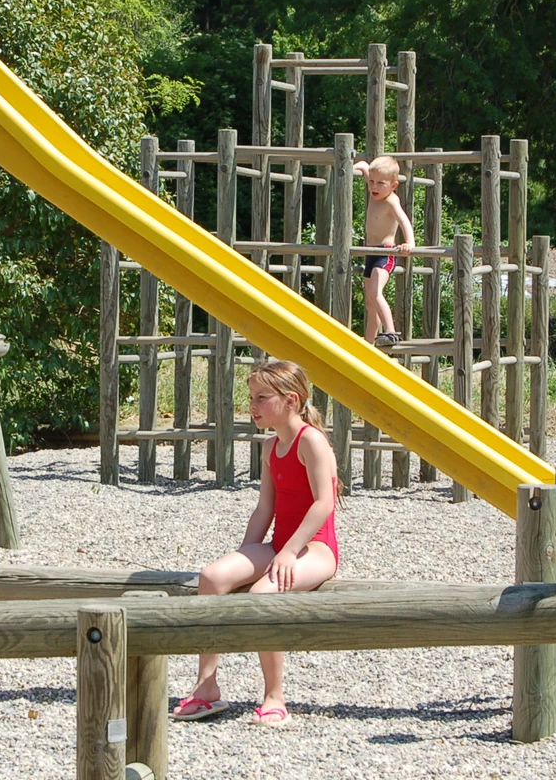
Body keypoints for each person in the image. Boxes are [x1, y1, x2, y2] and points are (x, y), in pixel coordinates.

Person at [169, 360, 339, 727]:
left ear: (291, 400)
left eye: (262, 398)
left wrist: (291, 551)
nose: (253, 405)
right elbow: (265, 507)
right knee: (212, 577)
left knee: (263, 595)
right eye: (252, 397)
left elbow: (324, 503)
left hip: (317, 549)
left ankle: (275, 696)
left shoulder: (311, 441)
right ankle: (207, 687)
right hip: (281, 544)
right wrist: (247, 553)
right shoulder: (270, 446)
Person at [352, 155, 415, 347]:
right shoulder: (375, 192)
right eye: (371, 182)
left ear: (393, 185)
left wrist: (408, 242)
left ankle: (391, 331)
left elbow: (404, 222)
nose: (374, 187)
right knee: (371, 303)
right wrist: (359, 167)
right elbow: (364, 166)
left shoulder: (391, 201)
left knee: (374, 292)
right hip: (371, 252)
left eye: (380, 183)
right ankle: (369, 343)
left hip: (386, 253)